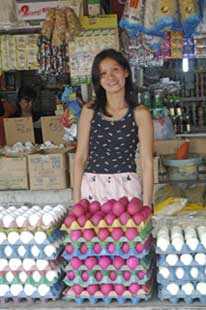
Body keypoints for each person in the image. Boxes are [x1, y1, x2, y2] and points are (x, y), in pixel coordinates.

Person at [73, 48, 154, 208]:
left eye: (115, 70)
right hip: (92, 187)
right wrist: (76, 204)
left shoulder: (140, 113)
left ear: (125, 72)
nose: (110, 78)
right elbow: (80, 159)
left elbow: (147, 163)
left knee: (130, 233)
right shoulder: (89, 112)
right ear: (98, 80)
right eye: (103, 73)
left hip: (127, 188)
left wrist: (146, 205)